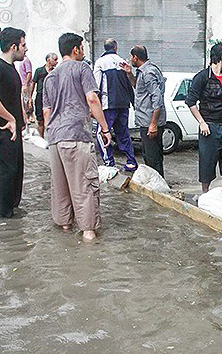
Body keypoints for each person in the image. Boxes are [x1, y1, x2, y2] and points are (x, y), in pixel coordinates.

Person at [43, 33, 112, 242]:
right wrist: (105, 128)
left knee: (61, 187)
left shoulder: (49, 77)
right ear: (76, 50)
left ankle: (65, 225)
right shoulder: (82, 68)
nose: (83, 51)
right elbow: (92, 99)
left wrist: (52, 133)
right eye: (82, 47)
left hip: (55, 139)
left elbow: (46, 112)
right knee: (84, 186)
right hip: (76, 136)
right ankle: (89, 234)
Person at [185, 43, 222, 193]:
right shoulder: (202, 77)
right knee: (207, 162)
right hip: (210, 127)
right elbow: (191, 102)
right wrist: (202, 122)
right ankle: (205, 193)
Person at [0, 27, 28, 218]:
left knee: (16, 172)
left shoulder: (12, 69)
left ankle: (13, 213)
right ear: (13, 46)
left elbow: (14, 95)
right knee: (5, 174)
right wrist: (11, 118)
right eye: (23, 45)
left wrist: (23, 116)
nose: (26, 49)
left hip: (14, 129)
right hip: (0, 129)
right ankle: (4, 217)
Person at [121, 45, 166, 177]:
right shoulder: (142, 71)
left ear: (136, 57)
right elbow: (137, 87)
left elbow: (157, 98)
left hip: (149, 122)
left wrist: (153, 123)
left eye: (131, 57)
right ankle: (154, 185)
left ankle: (159, 188)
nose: (130, 60)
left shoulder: (148, 72)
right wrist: (129, 73)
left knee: (153, 158)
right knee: (148, 156)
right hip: (146, 121)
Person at [93, 38, 137, 171]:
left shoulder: (100, 62)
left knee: (101, 133)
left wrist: (95, 106)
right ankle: (131, 161)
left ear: (104, 48)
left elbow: (96, 85)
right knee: (123, 133)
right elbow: (130, 84)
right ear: (115, 47)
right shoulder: (123, 62)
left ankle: (109, 163)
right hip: (123, 104)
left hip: (108, 105)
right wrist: (132, 102)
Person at [30, 53, 58, 137]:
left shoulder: (55, 72)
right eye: (55, 59)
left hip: (52, 98)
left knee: (52, 118)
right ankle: (42, 138)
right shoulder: (39, 71)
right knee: (40, 120)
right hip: (40, 97)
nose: (57, 62)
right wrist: (30, 97)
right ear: (49, 60)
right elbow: (33, 83)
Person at [16, 55, 33, 124]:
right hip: (22, 84)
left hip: (26, 85)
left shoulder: (26, 60)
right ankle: (27, 116)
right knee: (24, 101)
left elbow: (29, 73)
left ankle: (30, 116)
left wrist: (26, 84)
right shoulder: (22, 61)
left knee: (27, 101)